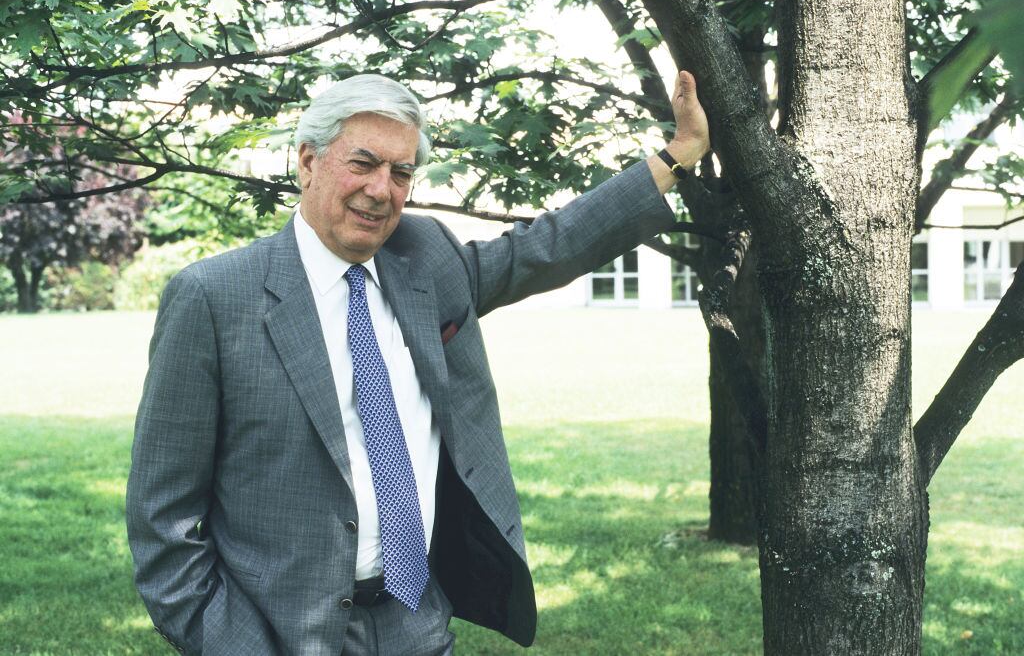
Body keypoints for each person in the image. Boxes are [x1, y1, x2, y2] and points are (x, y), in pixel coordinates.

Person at [126, 70, 710, 655]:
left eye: (401, 172)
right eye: (363, 163)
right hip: (284, 632)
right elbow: (163, 522)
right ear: (307, 162)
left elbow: (546, 246)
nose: (382, 190)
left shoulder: (426, 260)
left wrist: (677, 156)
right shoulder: (214, 297)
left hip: (418, 619)